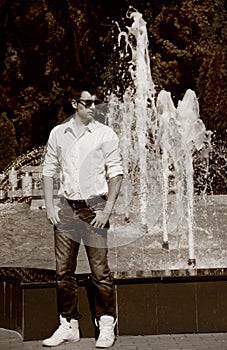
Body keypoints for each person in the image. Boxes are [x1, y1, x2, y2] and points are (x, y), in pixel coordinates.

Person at [41, 88, 123, 348]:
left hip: (95, 206)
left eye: (95, 103)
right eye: (87, 103)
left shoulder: (105, 134)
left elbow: (116, 174)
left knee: (100, 270)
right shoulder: (59, 133)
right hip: (66, 208)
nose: (93, 107)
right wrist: (50, 206)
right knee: (63, 270)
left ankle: (107, 323)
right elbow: (48, 169)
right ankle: (69, 324)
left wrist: (107, 210)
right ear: (75, 103)